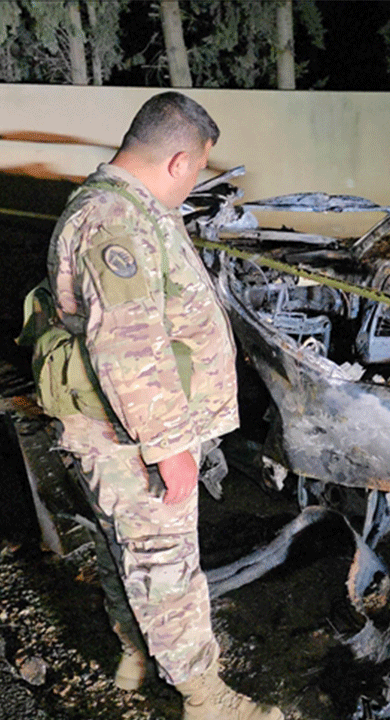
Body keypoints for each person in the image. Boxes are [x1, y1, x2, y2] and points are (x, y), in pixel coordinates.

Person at [41, 92, 283, 720]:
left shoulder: (126, 208)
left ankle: (135, 656)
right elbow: (127, 348)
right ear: (178, 161)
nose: (195, 180)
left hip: (119, 429)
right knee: (164, 566)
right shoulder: (114, 221)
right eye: (198, 168)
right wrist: (170, 448)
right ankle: (205, 699)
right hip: (132, 437)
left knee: (124, 549)